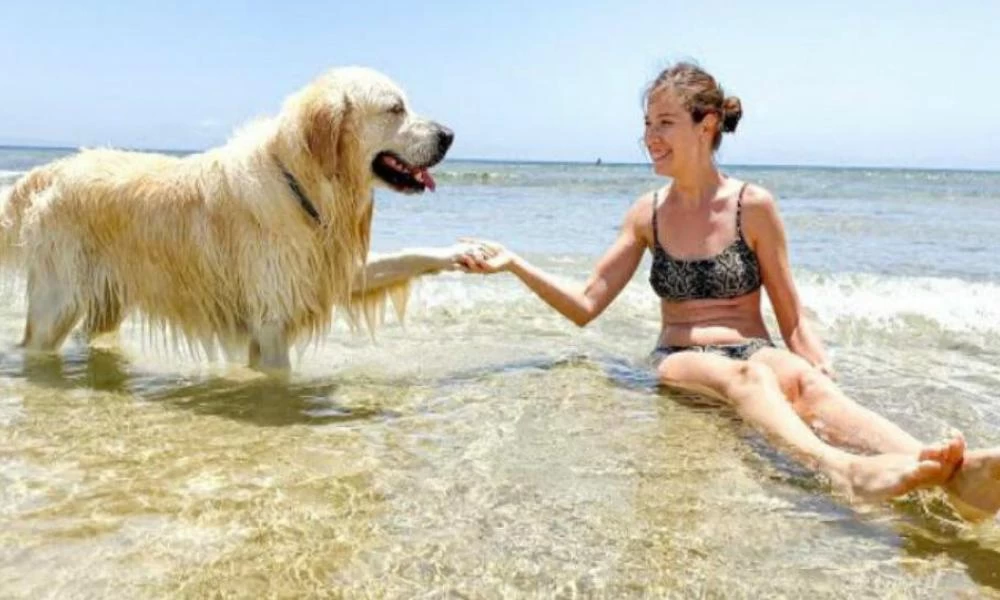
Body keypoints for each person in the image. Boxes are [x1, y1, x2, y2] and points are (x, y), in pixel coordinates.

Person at [458, 62, 1000, 519]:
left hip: (756, 346)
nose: (650, 135)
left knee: (809, 388)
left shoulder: (753, 206)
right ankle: (845, 472)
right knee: (749, 375)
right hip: (682, 357)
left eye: (665, 122)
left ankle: (953, 474)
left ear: (706, 124)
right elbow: (585, 305)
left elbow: (792, 317)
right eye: (647, 123)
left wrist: (815, 361)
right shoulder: (646, 213)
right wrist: (515, 265)